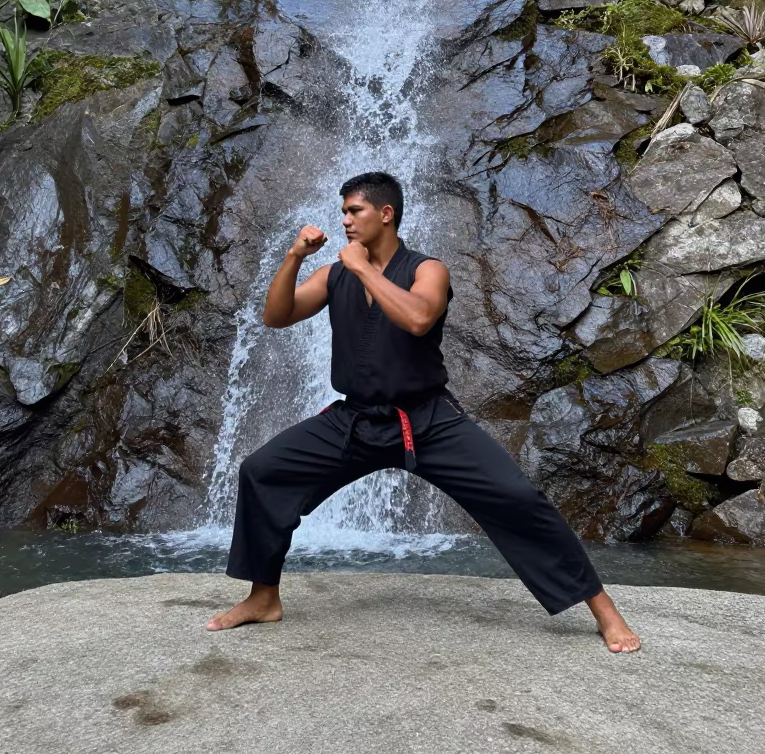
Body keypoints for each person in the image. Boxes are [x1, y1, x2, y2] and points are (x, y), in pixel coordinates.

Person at [207, 171, 641, 652]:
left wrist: (363, 269)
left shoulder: (427, 269)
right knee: (263, 471)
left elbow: (417, 318)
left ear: (386, 213)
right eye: (344, 212)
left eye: (355, 211)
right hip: (353, 421)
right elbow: (276, 315)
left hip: (427, 421)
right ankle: (264, 597)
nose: (346, 221)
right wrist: (293, 258)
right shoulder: (333, 274)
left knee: (518, 498)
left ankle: (603, 610)